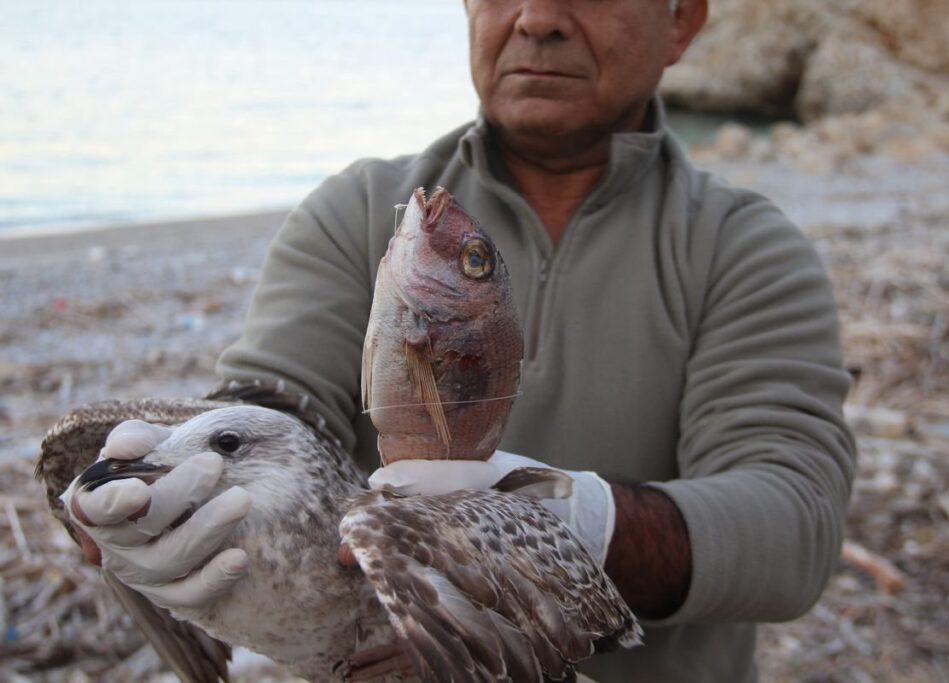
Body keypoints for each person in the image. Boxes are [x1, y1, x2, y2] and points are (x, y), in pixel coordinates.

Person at [67, 0, 857, 680]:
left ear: (680, 20)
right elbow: (275, 397)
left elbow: (792, 527)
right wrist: (175, 476)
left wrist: (561, 523)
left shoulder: (744, 247)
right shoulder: (367, 209)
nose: (538, 18)